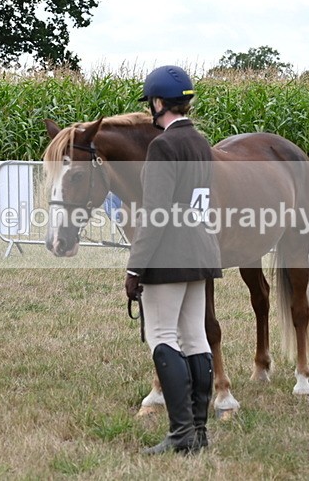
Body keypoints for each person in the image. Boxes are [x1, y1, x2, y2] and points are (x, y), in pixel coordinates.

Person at [124, 65, 222, 455]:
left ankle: (180, 433)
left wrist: (135, 267)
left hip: (169, 254)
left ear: (159, 102)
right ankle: (198, 432)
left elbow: (155, 213)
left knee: (161, 336)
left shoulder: (163, 147)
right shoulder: (201, 143)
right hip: (201, 248)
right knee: (195, 338)